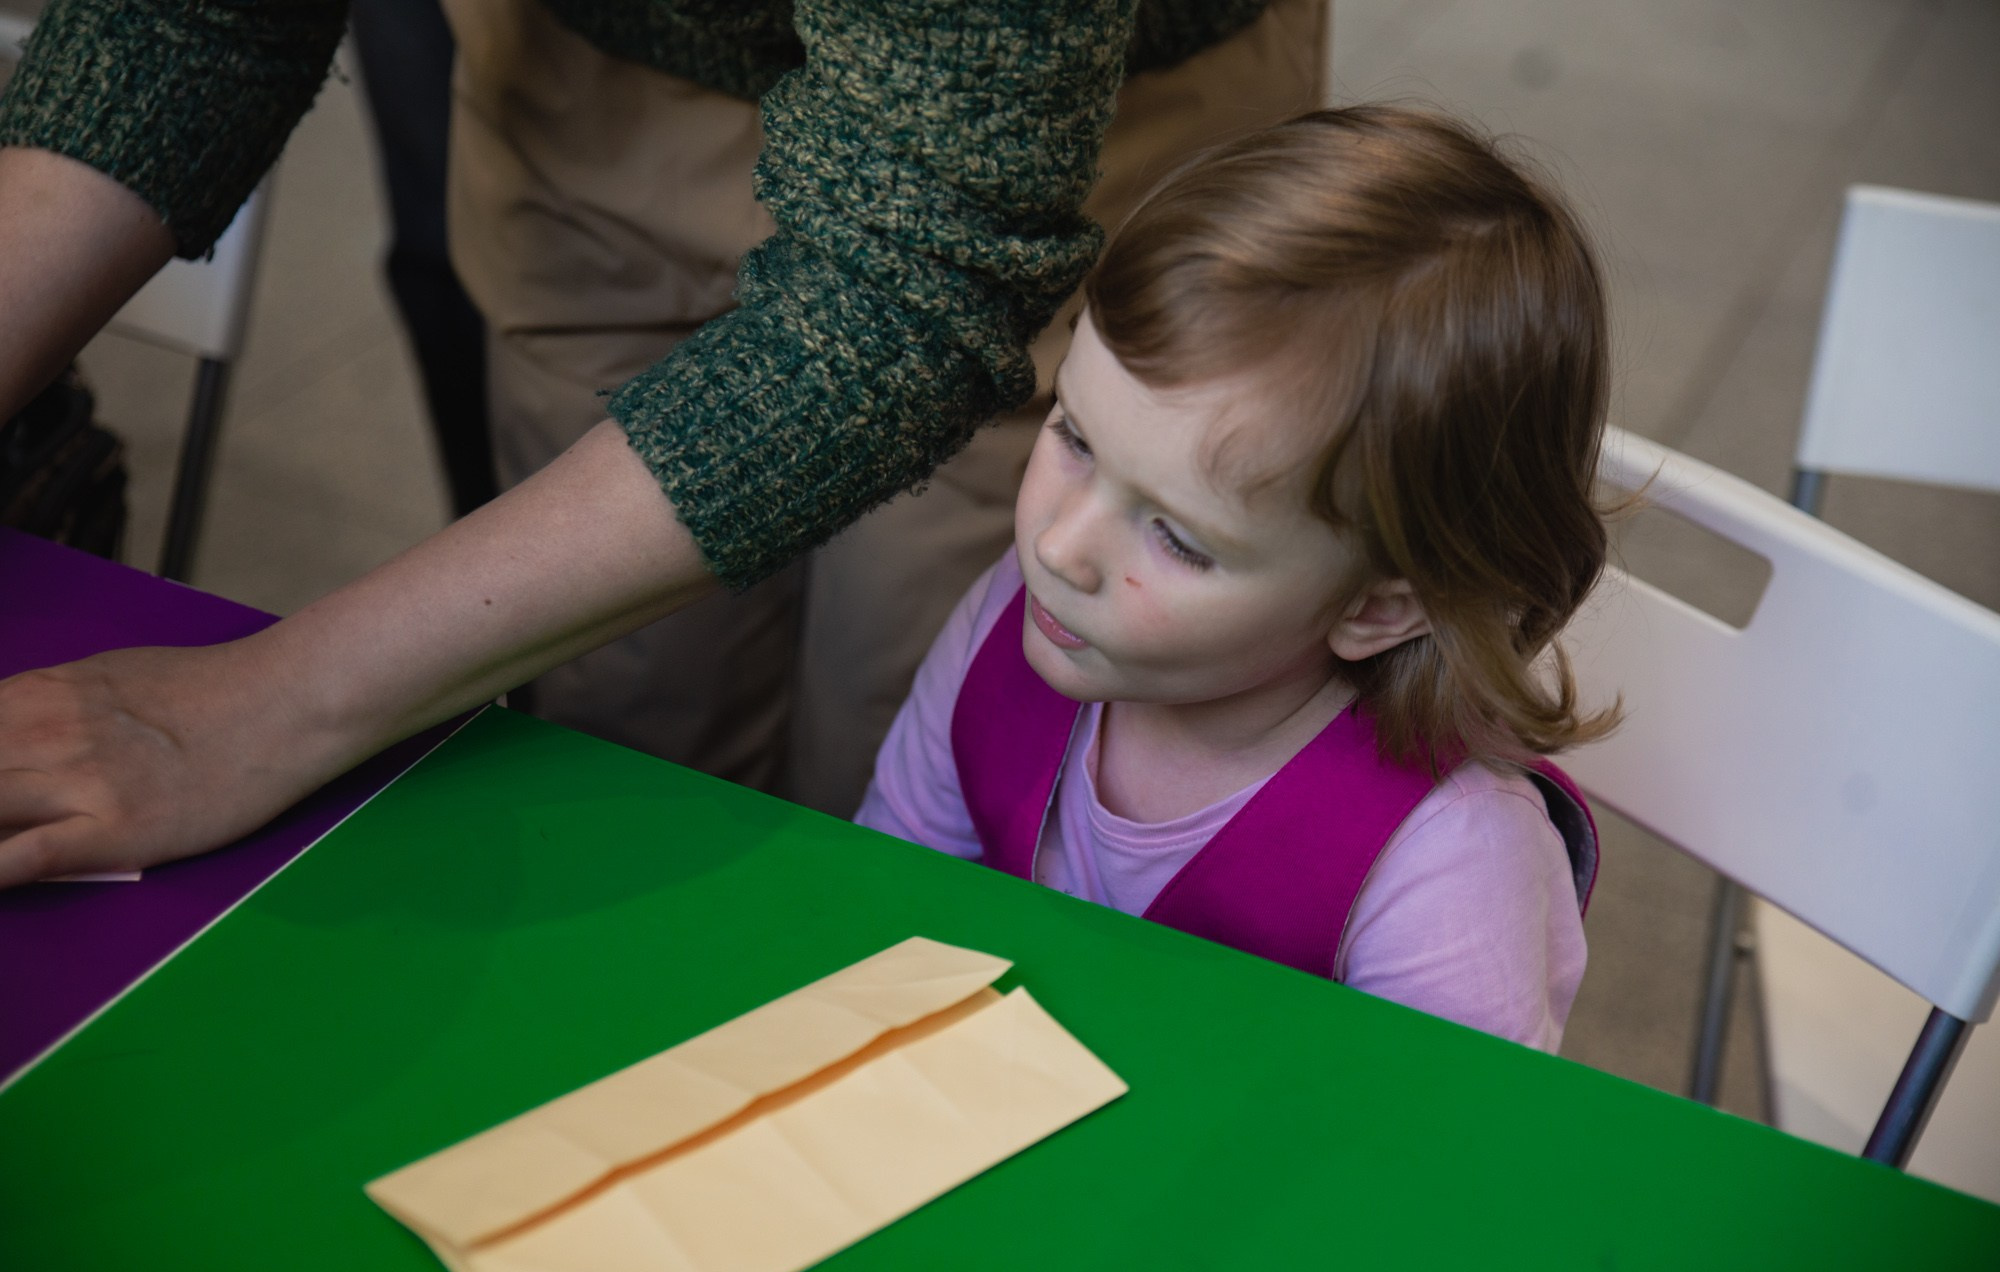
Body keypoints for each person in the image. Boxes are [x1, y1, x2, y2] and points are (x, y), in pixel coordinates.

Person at [0, 1, 1317, 886]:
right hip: (594, 84)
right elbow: (186, 27)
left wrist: (270, 705)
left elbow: (916, 262)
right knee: (623, 722)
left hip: (1069, 113)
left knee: (934, 746)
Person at [856, 106, 1617, 1050]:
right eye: (1074, 436)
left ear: (1378, 605)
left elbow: (1431, 1168)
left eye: (1178, 538)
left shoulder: (1445, 866)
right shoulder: (1011, 624)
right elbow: (883, 916)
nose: (1059, 546)